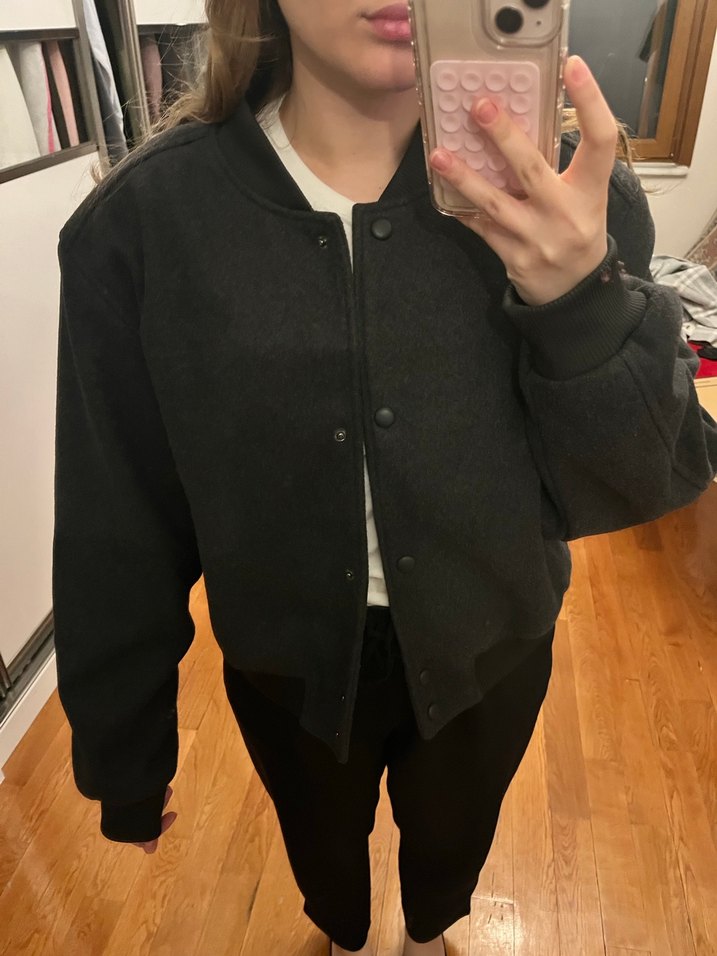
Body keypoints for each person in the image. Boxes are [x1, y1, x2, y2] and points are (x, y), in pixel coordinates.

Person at [51, 2, 717, 955]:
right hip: (288, 667)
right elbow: (116, 519)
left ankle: (430, 929)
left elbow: (645, 477)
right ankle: (347, 934)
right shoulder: (143, 224)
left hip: (493, 643)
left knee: (453, 840)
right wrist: (124, 750)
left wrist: (580, 299)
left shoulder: (572, 197)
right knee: (322, 849)